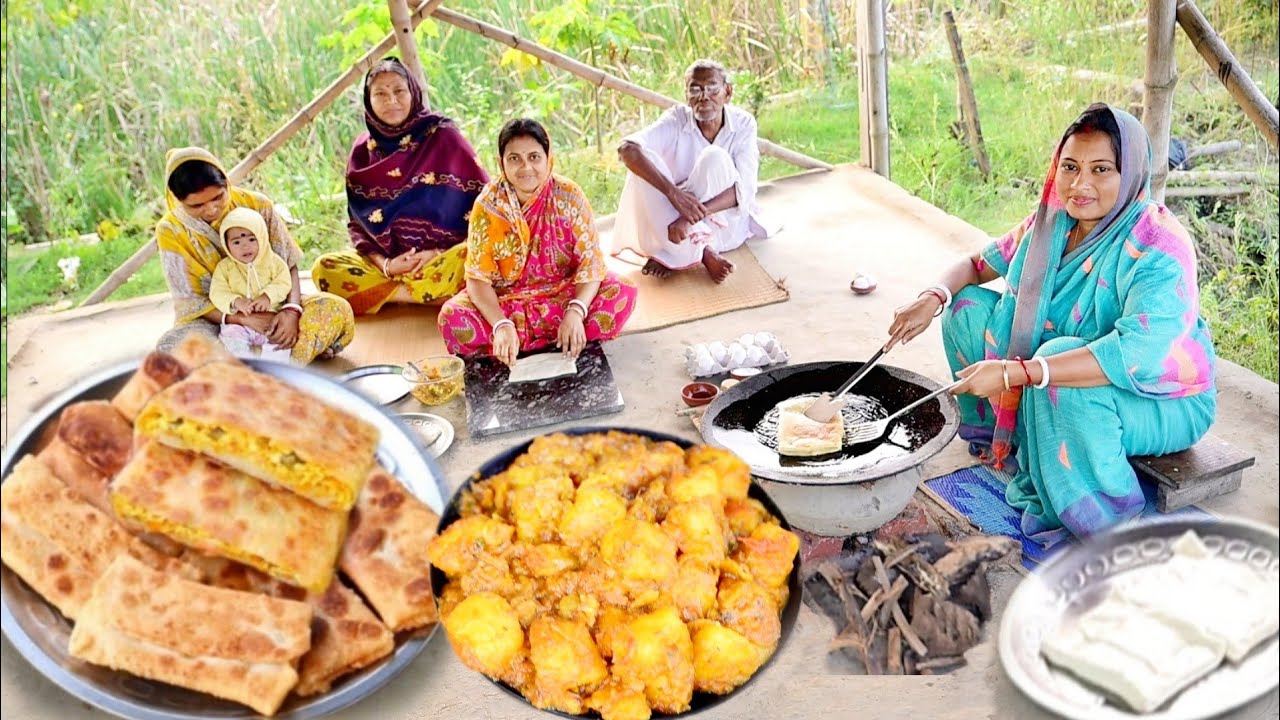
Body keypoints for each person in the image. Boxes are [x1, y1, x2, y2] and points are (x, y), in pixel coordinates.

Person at [886, 103, 1216, 547]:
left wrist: (1016, 372)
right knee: (965, 308)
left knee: (1053, 358)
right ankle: (1007, 442)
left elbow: (1138, 355)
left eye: (1101, 169)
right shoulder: (1051, 224)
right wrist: (932, 298)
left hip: (1160, 398)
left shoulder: (1157, 243)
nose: (1080, 185)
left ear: (1131, 173)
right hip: (1059, 383)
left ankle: (1102, 516)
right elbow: (975, 265)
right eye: (1070, 167)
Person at [438, 118, 638, 365]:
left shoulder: (569, 195)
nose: (525, 168)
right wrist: (500, 324)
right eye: (515, 159)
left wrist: (576, 311)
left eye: (534, 157)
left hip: (563, 296)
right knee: (452, 316)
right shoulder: (487, 205)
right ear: (501, 163)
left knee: (623, 291)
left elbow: (591, 266)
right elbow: (477, 279)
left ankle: (544, 342)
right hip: (507, 303)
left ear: (548, 158)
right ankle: (549, 344)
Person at [311, 57, 489, 315]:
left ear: (413, 93)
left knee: (475, 257)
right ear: (368, 100)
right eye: (380, 94)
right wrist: (387, 266)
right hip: (388, 267)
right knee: (324, 268)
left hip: (442, 260)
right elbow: (358, 225)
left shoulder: (442, 135)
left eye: (398, 91)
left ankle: (387, 296)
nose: (391, 101)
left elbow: (485, 208)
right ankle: (419, 295)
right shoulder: (363, 151)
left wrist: (435, 253)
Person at [156, 147, 355, 364]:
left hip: (276, 308)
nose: (211, 209)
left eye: (218, 197)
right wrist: (242, 319)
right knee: (173, 347)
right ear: (176, 199)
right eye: (197, 205)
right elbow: (190, 300)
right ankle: (284, 365)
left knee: (334, 308)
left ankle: (255, 371)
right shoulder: (170, 230)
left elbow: (287, 264)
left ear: (226, 183)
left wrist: (291, 311)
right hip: (217, 319)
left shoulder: (257, 205)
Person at [611, 58, 773, 284]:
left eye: (712, 88)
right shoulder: (677, 119)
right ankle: (704, 253)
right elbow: (626, 149)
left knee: (714, 157)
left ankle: (678, 254)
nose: (703, 96)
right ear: (686, 96)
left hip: (718, 224)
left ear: (727, 92)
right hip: (674, 217)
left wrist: (689, 219)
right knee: (641, 163)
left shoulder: (743, 123)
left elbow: (744, 190)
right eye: (695, 89)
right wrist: (674, 195)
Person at [209, 207, 294, 362]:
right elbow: (217, 292)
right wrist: (235, 301)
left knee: (280, 339)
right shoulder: (224, 267)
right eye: (236, 242)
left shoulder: (274, 261)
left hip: (270, 319)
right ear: (226, 245)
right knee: (230, 335)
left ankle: (273, 370)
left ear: (262, 237)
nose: (245, 246)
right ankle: (245, 365)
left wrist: (268, 296)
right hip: (240, 322)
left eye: (251, 239)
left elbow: (283, 282)